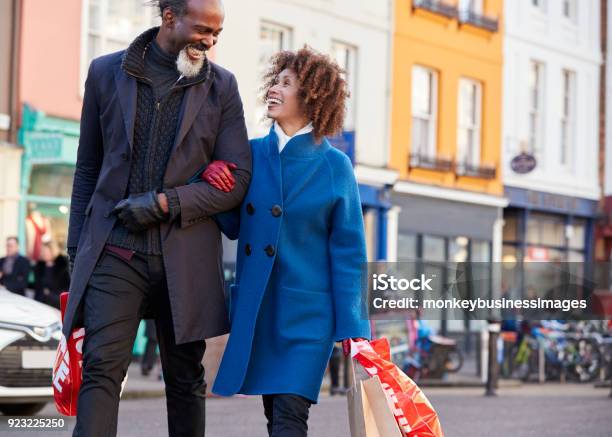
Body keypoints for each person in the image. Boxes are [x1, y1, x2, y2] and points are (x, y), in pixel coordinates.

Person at [64, 0, 251, 435]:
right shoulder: (105, 72)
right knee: (100, 372)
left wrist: (165, 203)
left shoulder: (222, 87)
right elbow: (88, 168)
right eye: (203, 29)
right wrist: (78, 249)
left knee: (186, 381)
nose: (209, 41)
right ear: (170, 17)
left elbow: (238, 177)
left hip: (185, 256)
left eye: (217, 34)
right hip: (114, 250)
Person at [210, 47, 370, 436]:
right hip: (260, 309)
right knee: (274, 417)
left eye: (287, 83)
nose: (275, 90)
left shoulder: (335, 166)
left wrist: (355, 329)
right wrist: (215, 186)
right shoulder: (250, 153)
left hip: (307, 319)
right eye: (275, 81)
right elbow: (234, 226)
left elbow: (349, 253)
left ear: (312, 96)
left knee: (288, 416)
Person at [33, 242, 70, 309]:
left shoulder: (63, 266)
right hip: (40, 304)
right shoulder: (39, 267)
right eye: (43, 251)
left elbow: (66, 288)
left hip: (56, 304)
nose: (44, 254)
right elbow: (37, 287)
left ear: (53, 251)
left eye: (46, 251)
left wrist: (50, 294)